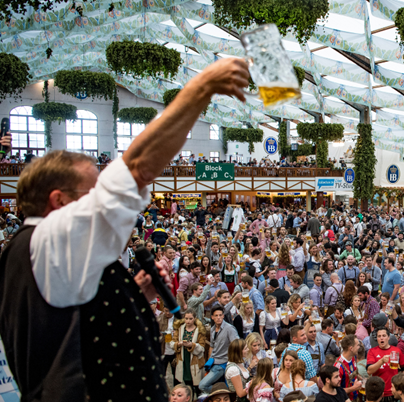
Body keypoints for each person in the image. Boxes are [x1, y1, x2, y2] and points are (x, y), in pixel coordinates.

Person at [0, 56, 250, 401]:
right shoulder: (44, 241)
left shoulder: (43, 253)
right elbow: (136, 170)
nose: (100, 201)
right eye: (91, 193)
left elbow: (80, 324)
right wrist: (201, 87)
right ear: (58, 202)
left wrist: (133, 294)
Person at [201, 305, 240, 393]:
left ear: (223, 316)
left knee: (202, 386)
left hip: (223, 364)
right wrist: (209, 361)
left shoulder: (229, 329)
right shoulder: (212, 329)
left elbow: (237, 345)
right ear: (212, 317)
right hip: (213, 363)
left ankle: (222, 392)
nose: (218, 317)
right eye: (216, 315)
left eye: (220, 315)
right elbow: (212, 346)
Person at [368, 328, 404, 400]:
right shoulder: (372, 351)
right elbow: (369, 371)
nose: (381, 338)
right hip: (379, 393)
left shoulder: (396, 350)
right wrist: (381, 361)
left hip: (393, 392)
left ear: (388, 337)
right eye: (379, 336)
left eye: (384, 336)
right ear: (377, 338)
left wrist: (401, 384)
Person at [334, 334, 363, 400]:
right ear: (351, 348)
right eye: (358, 345)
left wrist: (360, 378)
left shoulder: (353, 357)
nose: (359, 347)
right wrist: (353, 388)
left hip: (355, 397)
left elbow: (352, 373)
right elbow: (336, 391)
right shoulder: (338, 367)